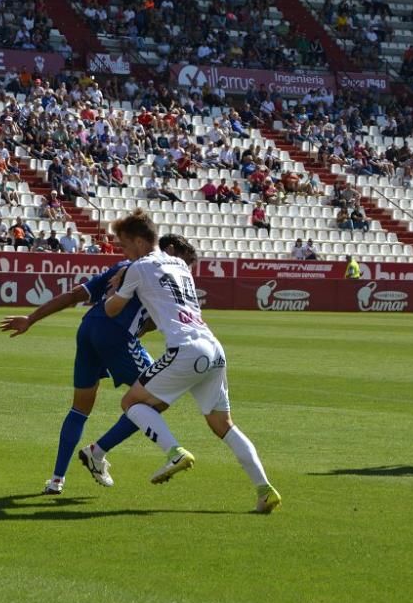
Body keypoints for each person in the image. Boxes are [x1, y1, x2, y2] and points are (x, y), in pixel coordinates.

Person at [104, 210, 281, 513]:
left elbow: (112, 310)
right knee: (223, 425)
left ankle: (174, 452)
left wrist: (117, 287)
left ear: (137, 240)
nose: (123, 251)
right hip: (213, 347)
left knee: (131, 403)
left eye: (123, 245)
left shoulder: (138, 267)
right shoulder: (180, 265)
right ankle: (265, 490)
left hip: (185, 349)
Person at [0, 234, 196, 496]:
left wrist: (31, 318)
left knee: (80, 408)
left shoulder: (124, 267)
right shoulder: (153, 273)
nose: (186, 271)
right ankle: (97, 452)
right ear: (170, 251)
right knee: (156, 399)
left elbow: (74, 295)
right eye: (186, 263)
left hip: (89, 329)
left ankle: (56, 480)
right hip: (116, 335)